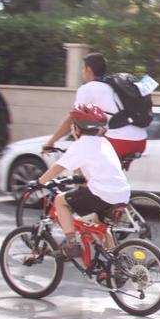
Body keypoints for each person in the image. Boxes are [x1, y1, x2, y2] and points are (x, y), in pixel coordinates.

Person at [37, 104, 131, 259]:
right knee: (100, 226)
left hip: (102, 194)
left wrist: (39, 182)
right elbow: (92, 166)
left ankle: (72, 244)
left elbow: (57, 168)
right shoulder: (104, 142)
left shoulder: (80, 145)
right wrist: (81, 177)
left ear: (76, 128)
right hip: (122, 194)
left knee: (60, 201)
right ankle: (116, 264)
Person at [43, 52, 148, 162]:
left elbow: (72, 119)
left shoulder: (88, 88)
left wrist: (51, 141)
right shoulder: (113, 85)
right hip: (140, 141)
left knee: (82, 164)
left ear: (88, 69)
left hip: (121, 141)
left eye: (83, 68)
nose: (82, 71)